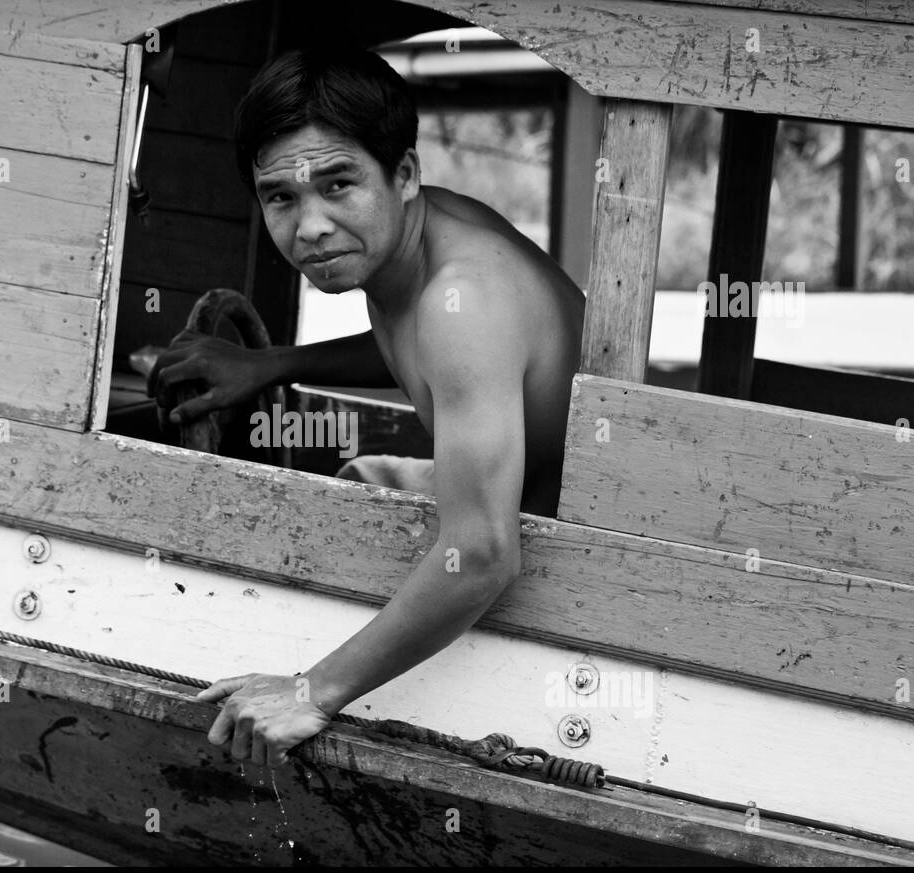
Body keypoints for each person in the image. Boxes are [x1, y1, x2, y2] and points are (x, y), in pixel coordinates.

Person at [146, 47, 586, 767]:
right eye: (280, 196)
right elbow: (414, 341)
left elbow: (482, 555)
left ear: (404, 173)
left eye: (338, 183)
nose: (310, 226)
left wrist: (311, 692)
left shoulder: (466, 300)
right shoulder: (421, 244)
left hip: (547, 567)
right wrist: (272, 365)